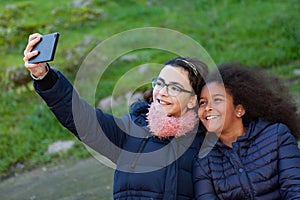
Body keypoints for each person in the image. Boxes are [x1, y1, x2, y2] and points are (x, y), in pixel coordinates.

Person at [23, 33, 209, 199]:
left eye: (174, 88)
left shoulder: (206, 145)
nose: (162, 92)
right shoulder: (130, 130)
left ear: (193, 100)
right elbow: (81, 118)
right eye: (159, 83)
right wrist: (44, 76)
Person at [193, 63, 300, 199]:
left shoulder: (277, 136)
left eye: (217, 100)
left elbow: (295, 190)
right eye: (203, 102)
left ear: (239, 109)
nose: (207, 107)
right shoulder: (204, 162)